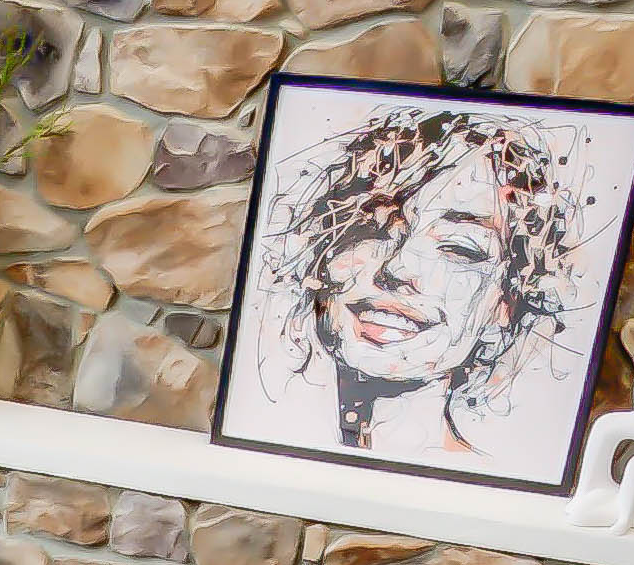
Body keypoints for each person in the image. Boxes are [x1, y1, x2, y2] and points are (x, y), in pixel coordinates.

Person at [250, 98, 602, 469]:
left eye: (459, 249)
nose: (398, 268)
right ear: (324, 255)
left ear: (506, 305)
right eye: (373, 227)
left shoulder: (491, 484)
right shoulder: (270, 437)